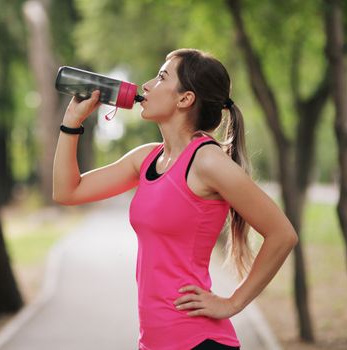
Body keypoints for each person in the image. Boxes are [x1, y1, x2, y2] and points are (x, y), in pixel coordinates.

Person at [52, 48, 298, 350]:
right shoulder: (146, 158)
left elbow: (282, 234)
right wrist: (71, 122)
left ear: (185, 99)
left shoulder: (207, 161)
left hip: (197, 340)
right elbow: (67, 191)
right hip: (154, 341)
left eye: (161, 77)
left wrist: (233, 303)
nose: (146, 85)